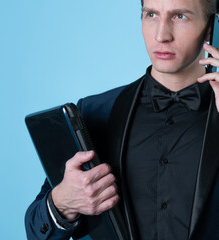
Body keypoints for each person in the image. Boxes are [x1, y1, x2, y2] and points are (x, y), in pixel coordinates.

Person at [25, 0, 219, 239]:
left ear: (211, 26)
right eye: (151, 14)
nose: (161, 35)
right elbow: (35, 231)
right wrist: (63, 204)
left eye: (180, 16)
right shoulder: (95, 112)